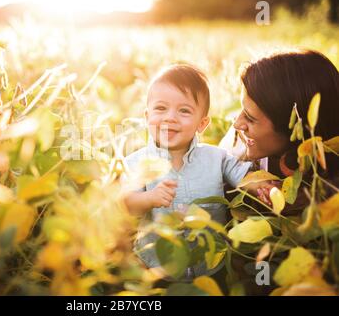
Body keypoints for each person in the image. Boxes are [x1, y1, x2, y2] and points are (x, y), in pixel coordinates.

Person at [121, 63, 269, 280]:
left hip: (210, 266)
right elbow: (127, 204)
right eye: (161, 108)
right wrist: (149, 198)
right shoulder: (137, 162)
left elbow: (243, 176)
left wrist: (262, 187)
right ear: (147, 116)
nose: (170, 117)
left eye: (184, 111)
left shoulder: (216, 157)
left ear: (202, 123)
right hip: (158, 268)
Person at [222, 49, 339, 207]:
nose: (237, 124)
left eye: (250, 118)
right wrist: (246, 181)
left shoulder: (330, 182)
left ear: (294, 129)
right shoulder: (237, 147)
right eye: (242, 110)